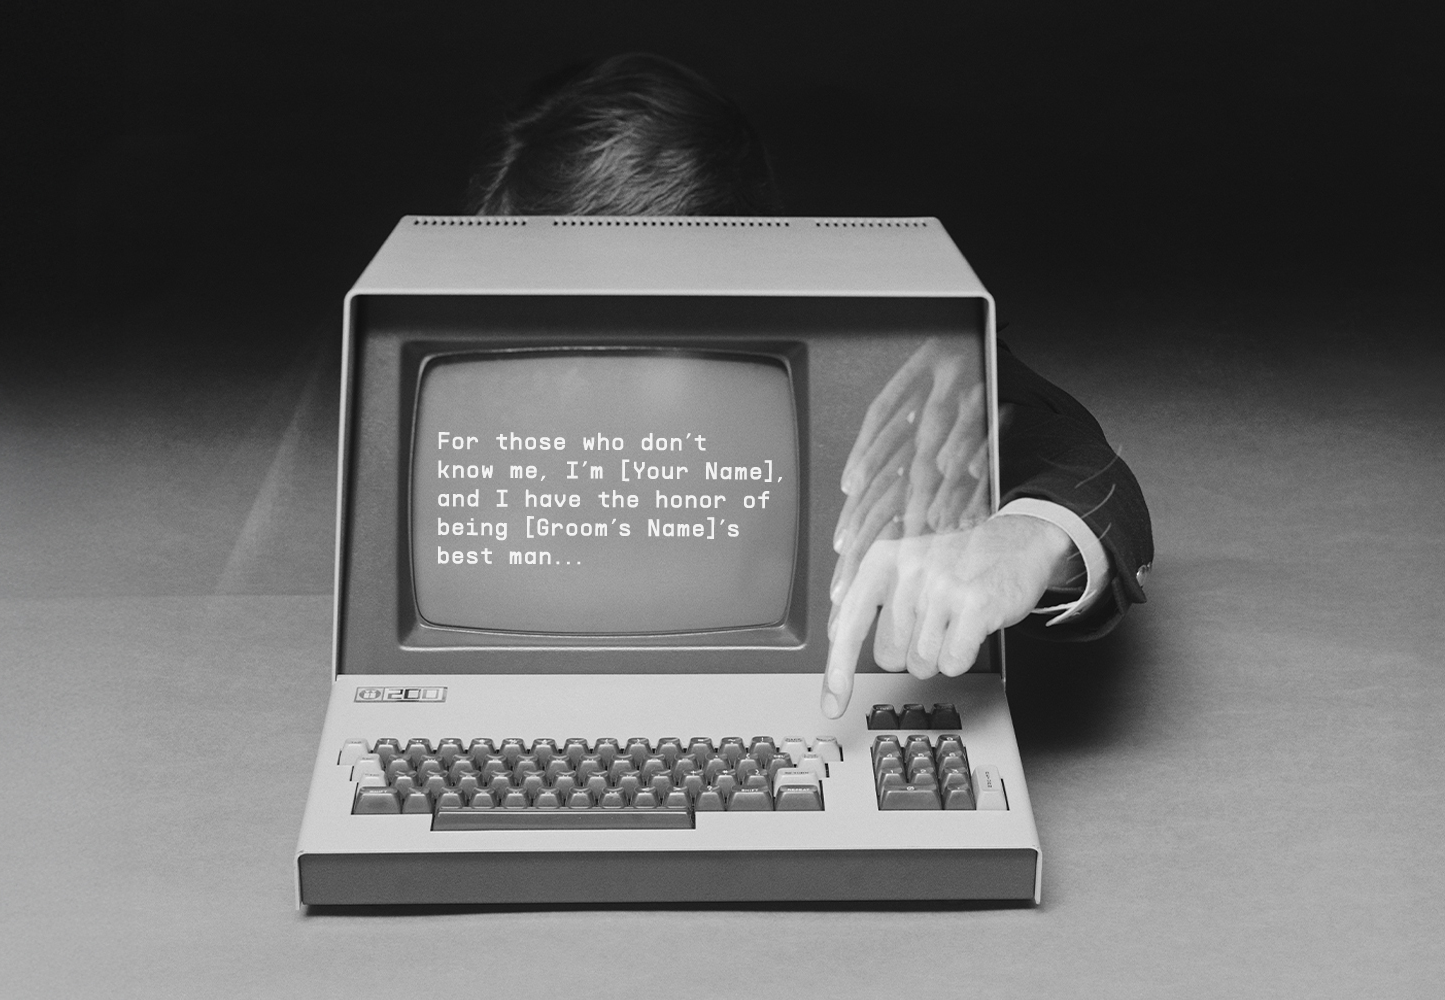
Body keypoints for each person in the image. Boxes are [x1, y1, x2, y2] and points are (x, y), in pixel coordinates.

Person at [468, 53, 1154, 718]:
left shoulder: (872, 364)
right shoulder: (452, 386)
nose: (598, 366)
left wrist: (1025, 541)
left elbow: (1080, 465)